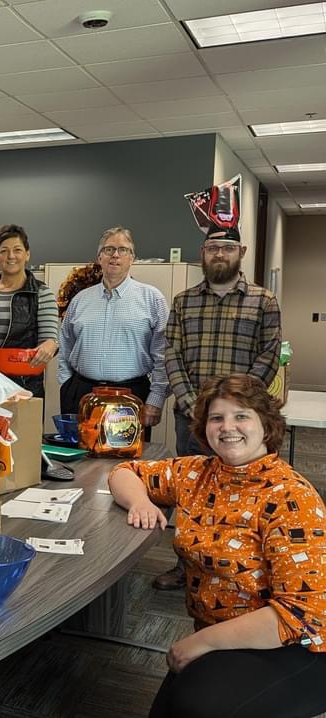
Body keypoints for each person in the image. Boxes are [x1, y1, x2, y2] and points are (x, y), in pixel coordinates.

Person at [109, 374, 326, 718]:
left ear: (266, 425)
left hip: (297, 645)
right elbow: (124, 471)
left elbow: (300, 615)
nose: (227, 427)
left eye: (241, 416)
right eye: (216, 418)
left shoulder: (291, 498)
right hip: (224, 635)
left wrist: (198, 643)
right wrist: (140, 502)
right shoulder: (197, 473)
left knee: (196, 706)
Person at [153, 224, 282, 590]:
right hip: (192, 418)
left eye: (227, 248)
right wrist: (194, 406)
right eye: (213, 248)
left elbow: (269, 356)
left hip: (242, 423)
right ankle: (187, 567)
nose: (219, 254)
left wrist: (234, 409)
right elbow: (172, 354)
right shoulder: (184, 301)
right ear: (203, 253)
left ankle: (239, 569)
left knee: (242, 494)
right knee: (192, 492)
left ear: (241, 252)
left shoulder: (264, 301)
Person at [58, 227, 168, 439]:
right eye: (109, 249)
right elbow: (65, 346)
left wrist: (155, 400)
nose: (115, 255)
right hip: (82, 394)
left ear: (132, 258)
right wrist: (66, 385)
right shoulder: (80, 300)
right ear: (100, 257)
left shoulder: (152, 299)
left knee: (126, 455)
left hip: (131, 396)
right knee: (81, 454)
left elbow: (163, 355)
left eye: (123, 250)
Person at [0, 224, 58, 398]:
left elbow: (49, 340)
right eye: (4, 251)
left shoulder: (42, 293)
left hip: (25, 389)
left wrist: (50, 345)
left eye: (17, 250)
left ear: (27, 254)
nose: (11, 256)